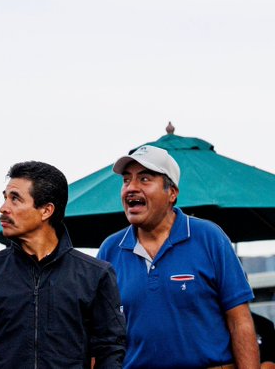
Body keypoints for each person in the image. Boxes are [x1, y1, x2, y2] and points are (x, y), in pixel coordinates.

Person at [0, 161, 126, 368]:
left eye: (15, 199)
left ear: (46, 211)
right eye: (5, 198)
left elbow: (110, 351)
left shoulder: (96, 275)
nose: (3, 208)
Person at [96, 144, 259, 369]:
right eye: (126, 180)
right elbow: (101, 334)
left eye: (144, 179)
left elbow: (240, 322)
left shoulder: (209, 237)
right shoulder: (110, 249)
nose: (131, 188)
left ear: (171, 193)